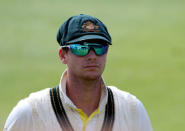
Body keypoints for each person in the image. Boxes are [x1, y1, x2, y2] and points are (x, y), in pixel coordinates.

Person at [4, 14, 152, 131]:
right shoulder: (30, 113)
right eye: (81, 48)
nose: (92, 56)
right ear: (63, 55)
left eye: (100, 47)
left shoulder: (132, 110)